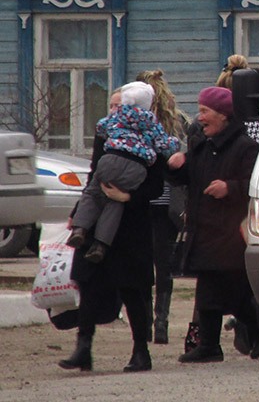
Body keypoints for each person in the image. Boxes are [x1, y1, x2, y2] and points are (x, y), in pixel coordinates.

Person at [58, 88, 166, 373]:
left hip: (132, 227)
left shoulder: (151, 136)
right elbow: (95, 174)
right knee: (89, 282)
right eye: (112, 105)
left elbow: (156, 186)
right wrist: (78, 212)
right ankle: (83, 348)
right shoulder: (106, 132)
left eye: (120, 105)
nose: (116, 110)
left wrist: (129, 198)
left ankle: (140, 351)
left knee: (133, 289)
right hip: (96, 223)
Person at [167, 86, 259, 363]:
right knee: (208, 294)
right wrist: (175, 166)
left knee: (236, 297)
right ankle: (210, 346)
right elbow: (187, 180)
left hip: (230, 234)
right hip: (204, 231)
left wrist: (229, 188)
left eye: (205, 111)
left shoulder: (245, 147)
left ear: (223, 115)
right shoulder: (202, 147)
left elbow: (256, 186)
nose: (200, 118)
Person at [67, 81, 180, 264]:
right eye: (111, 105)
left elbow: (101, 128)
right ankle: (101, 245)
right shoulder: (152, 124)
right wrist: (174, 147)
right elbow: (165, 145)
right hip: (137, 169)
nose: (113, 109)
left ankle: (80, 229)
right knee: (114, 205)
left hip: (110, 161)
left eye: (116, 105)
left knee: (93, 192)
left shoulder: (115, 120)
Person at [135, 69, 190, 345]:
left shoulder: (133, 122)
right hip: (168, 203)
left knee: (142, 264)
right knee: (164, 267)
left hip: (142, 200)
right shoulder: (177, 121)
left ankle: (143, 325)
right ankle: (161, 326)